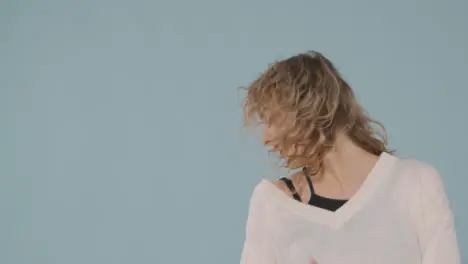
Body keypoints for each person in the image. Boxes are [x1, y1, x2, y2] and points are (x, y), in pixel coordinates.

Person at [239, 51, 460, 264]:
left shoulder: (417, 184)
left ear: (310, 107)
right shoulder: (272, 203)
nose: (265, 138)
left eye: (272, 120)